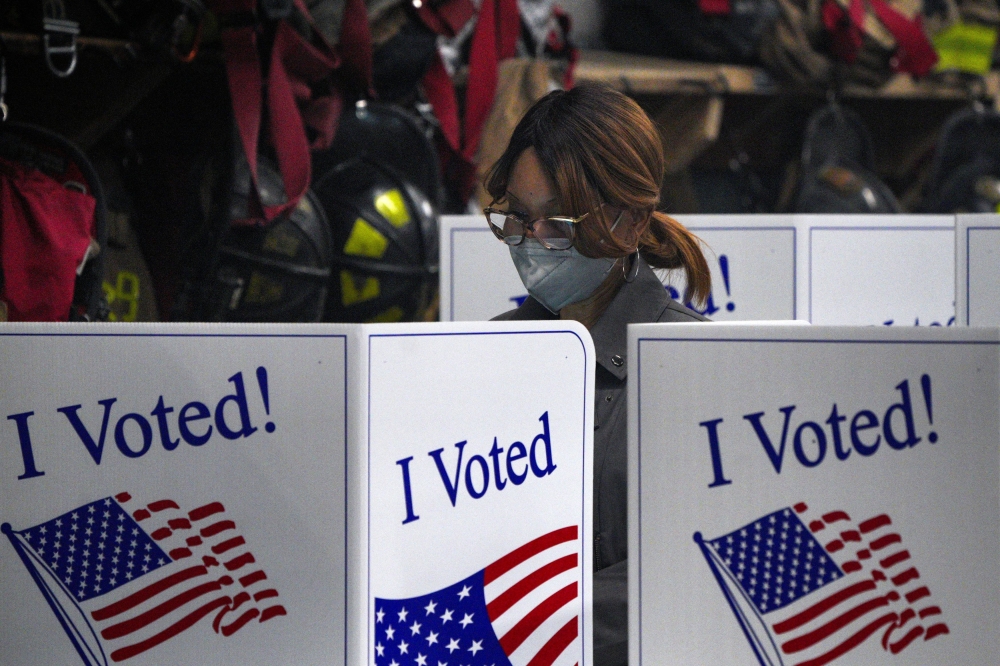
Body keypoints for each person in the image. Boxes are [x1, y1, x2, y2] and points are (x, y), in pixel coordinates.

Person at [485, 83, 712, 665]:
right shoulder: (481, 356)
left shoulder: (689, 369)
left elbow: (690, 571)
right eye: (516, 218)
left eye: (557, 224)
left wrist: (517, 624)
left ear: (631, 222)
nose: (531, 242)